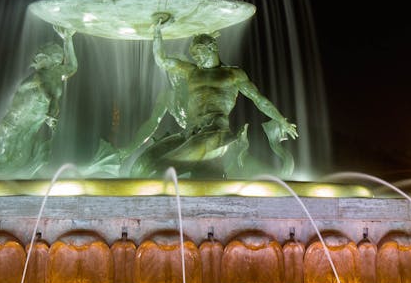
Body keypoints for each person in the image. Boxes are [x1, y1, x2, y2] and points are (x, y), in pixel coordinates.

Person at [122, 15, 298, 178]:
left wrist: (282, 121)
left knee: (159, 170)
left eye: (199, 51)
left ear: (213, 47)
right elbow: (162, 60)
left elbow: (259, 100)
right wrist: (157, 32)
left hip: (214, 132)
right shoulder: (191, 71)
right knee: (140, 168)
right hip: (189, 133)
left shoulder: (233, 74)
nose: (196, 57)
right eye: (193, 54)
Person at [0, 25, 78, 175]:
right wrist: (53, 106)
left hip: (30, 128)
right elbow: (45, 91)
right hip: (14, 124)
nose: (35, 61)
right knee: (2, 154)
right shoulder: (38, 76)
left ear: (50, 59)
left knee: (17, 158)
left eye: (39, 57)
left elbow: (72, 66)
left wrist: (68, 39)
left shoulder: (55, 73)